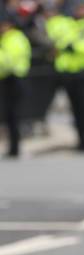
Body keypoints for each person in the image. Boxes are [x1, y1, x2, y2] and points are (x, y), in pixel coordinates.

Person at [45, 0, 84, 150]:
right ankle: (82, 140)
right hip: (68, 72)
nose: (78, 10)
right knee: (75, 108)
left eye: (82, 7)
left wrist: (73, 47)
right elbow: (56, 36)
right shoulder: (70, 22)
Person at [0, 5, 31, 157]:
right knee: (9, 116)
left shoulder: (14, 38)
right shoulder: (9, 38)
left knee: (14, 115)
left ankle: (15, 147)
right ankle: (13, 147)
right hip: (8, 79)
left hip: (15, 79)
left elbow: (7, 61)